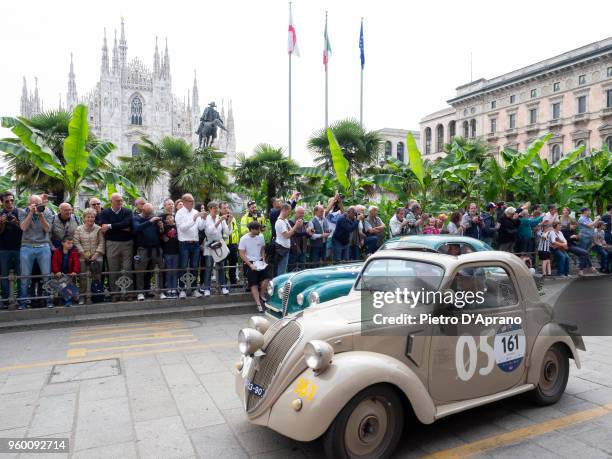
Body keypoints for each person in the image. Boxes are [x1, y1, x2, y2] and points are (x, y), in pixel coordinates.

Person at [18, 195, 53, 309]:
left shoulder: (47, 212)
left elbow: (47, 229)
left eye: (39, 203)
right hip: (27, 246)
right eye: (34, 204)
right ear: (29, 204)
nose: (37, 206)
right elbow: (23, 227)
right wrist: (30, 213)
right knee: (25, 277)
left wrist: (41, 214)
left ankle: (48, 301)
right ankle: (23, 303)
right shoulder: (23, 212)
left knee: (46, 276)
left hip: (43, 245)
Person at [99, 193, 133, 301]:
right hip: (112, 243)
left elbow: (127, 224)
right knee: (113, 270)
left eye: (121, 200)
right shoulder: (104, 213)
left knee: (127, 269)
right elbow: (103, 226)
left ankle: (129, 293)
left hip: (127, 243)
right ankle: (115, 293)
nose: (120, 202)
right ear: (111, 201)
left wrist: (110, 226)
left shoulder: (127, 211)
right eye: (118, 200)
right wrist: (121, 226)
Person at [174, 193, 207, 298]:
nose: (192, 203)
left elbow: (201, 228)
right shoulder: (179, 213)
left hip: (195, 243)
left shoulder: (196, 212)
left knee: (194, 267)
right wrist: (193, 219)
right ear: (183, 202)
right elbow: (182, 228)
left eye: (193, 201)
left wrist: (204, 219)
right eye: (190, 201)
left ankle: (193, 289)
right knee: (183, 267)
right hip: (184, 243)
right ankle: (182, 289)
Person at [132, 203, 164, 301]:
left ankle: (160, 291)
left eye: (151, 212)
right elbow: (136, 228)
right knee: (140, 271)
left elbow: (160, 233)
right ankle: (140, 292)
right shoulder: (136, 218)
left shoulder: (155, 218)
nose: (151, 214)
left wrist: (161, 227)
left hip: (156, 249)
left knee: (160, 271)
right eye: (148, 213)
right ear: (143, 210)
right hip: (143, 249)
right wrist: (150, 221)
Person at [238, 221, 272, 312]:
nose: (259, 231)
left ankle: (262, 295)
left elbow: (262, 249)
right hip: (250, 262)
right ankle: (258, 304)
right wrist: (250, 264)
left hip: (260, 261)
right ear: (252, 229)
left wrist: (264, 260)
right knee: (253, 284)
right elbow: (241, 253)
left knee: (267, 278)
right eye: (257, 229)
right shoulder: (244, 239)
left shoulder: (260, 236)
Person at [73, 208, 105, 304]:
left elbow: (102, 242)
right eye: (88, 217)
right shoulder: (79, 229)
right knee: (83, 278)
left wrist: (96, 254)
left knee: (97, 277)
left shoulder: (98, 229)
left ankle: (96, 296)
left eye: (92, 217)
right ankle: (82, 296)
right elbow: (76, 242)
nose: (90, 219)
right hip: (83, 257)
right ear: (84, 218)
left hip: (97, 257)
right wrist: (83, 253)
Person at [202, 201, 230, 296]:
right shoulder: (207, 218)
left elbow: (227, 232)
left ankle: (223, 287)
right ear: (210, 209)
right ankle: (207, 288)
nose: (217, 210)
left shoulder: (219, 217)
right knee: (209, 267)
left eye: (217, 208)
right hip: (210, 245)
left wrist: (228, 222)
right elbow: (209, 232)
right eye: (215, 208)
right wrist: (219, 221)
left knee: (221, 267)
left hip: (219, 245)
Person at [0, 192, 22, 307]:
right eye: (7, 201)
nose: (10, 203)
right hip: (4, 249)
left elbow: (25, 230)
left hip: (19, 248)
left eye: (12, 200)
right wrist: (2, 222)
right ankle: (5, 300)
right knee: (4, 276)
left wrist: (16, 222)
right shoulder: (0, 214)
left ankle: (20, 300)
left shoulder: (20, 212)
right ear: (2, 202)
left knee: (21, 275)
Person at [51, 236, 80, 306]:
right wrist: (56, 271)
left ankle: (68, 301)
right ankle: (63, 300)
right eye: (68, 243)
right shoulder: (57, 251)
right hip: (59, 273)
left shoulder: (74, 252)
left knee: (68, 283)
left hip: (69, 273)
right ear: (62, 243)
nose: (70, 245)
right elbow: (54, 262)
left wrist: (75, 271)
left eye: (72, 243)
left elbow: (76, 262)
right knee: (62, 283)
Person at [274, 204, 300, 275]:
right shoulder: (280, 222)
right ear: (284, 210)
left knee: (283, 269)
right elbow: (287, 235)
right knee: (281, 270)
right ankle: (279, 285)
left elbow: (291, 231)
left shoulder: (285, 220)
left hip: (286, 248)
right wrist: (296, 226)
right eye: (289, 211)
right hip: (281, 249)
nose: (290, 213)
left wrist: (296, 226)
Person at [159, 213, 179, 298]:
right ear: (166, 220)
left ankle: (174, 288)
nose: (170, 218)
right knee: (168, 271)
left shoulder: (178, 227)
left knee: (174, 271)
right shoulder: (165, 228)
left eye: (171, 217)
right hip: (167, 253)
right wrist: (161, 228)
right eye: (168, 218)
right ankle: (168, 288)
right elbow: (161, 232)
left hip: (176, 252)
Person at [220, 202, 240, 286]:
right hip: (224, 244)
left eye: (227, 207)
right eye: (224, 208)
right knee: (223, 265)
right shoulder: (219, 218)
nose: (226, 209)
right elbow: (224, 233)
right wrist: (228, 222)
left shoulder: (232, 218)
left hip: (233, 244)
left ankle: (233, 282)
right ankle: (223, 283)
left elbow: (235, 230)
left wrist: (237, 243)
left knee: (233, 264)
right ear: (220, 209)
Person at [289, 206, 310, 271]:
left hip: (303, 248)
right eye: (300, 213)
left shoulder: (305, 222)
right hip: (294, 248)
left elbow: (306, 236)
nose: (302, 215)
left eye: (303, 213)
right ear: (296, 213)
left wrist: (309, 233)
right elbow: (294, 234)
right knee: (291, 267)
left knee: (302, 268)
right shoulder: (291, 222)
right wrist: (306, 233)